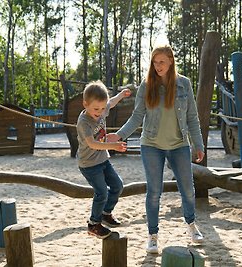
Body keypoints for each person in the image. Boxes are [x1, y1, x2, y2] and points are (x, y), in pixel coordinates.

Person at [107, 44, 205, 253]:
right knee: (154, 192)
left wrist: (198, 144)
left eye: (162, 61)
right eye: (155, 62)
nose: (158, 66)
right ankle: (152, 236)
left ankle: (191, 225)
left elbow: (192, 118)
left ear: (171, 61)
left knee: (187, 189)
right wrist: (119, 135)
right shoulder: (147, 85)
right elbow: (137, 116)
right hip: (151, 145)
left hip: (179, 144)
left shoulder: (184, 84)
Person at [76, 80, 131, 239]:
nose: (99, 112)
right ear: (85, 104)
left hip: (102, 160)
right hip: (89, 164)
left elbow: (111, 103)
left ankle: (106, 213)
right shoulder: (84, 122)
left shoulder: (102, 107)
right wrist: (113, 145)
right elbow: (92, 143)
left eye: (101, 108)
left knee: (117, 185)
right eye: (95, 109)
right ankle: (93, 224)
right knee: (101, 192)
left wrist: (121, 95)